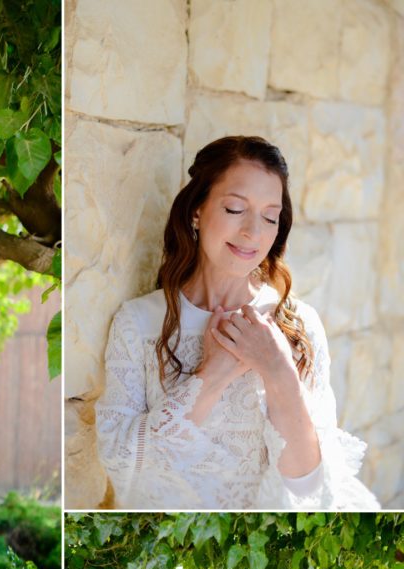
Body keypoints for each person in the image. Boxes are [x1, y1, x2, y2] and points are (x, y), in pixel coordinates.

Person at [95, 135, 378, 510]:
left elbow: (309, 486)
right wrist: (211, 376)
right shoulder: (139, 324)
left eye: (269, 216)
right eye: (234, 209)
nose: (253, 232)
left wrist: (277, 370)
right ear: (197, 210)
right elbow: (123, 466)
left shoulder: (299, 325)